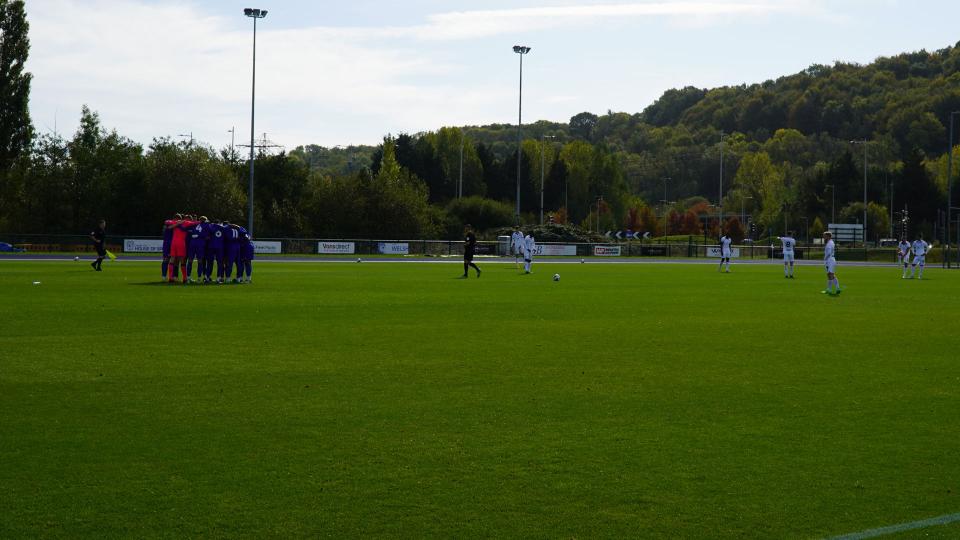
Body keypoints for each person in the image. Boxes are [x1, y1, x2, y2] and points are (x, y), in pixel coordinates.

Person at [165, 215, 197, 283]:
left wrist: (177, 223)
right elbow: (196, 223)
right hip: (181, 243)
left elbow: (168, 225)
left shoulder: (174, 222)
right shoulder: (186, 222)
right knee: (182, 261)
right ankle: (185, 278)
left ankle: (170, 277)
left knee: (172, 259)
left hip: (173, 243)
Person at [185, 216, 210, 284]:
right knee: (200, 261)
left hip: (192, 243)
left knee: (190, 260)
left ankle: (188, 278)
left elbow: (187, 229)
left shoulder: (194, 224)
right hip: (200, 244)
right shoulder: (207, 225)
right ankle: (199, 278)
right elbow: (208, 236)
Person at [205, 219, 225, 284]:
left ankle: (207, 277)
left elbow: (207, 237)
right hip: (220, 248)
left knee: (209, 263)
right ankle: (218, 278)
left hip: (211, 247)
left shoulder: (211, 227)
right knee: (219, 263)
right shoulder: (223, 228)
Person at [161, 213, 180, 280]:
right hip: (167, 244)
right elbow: (167, 222)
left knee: (175, 261)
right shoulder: (168, 222)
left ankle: (173, 276)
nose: (178, 220)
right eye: (177, 219)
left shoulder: (177, 225)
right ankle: (164, 275)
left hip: (174, 244)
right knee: (166, 260)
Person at [822, 231, 841, 295]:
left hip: (830, 260)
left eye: (824, 236)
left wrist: (825, 258)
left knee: (831, 274)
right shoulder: (829, 242)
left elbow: (829, 252)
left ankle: (837, 288)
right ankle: (829, 289)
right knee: (829, 275)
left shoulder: (830, 243)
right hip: (828, 260)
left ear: (828, 236)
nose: (824, 237)